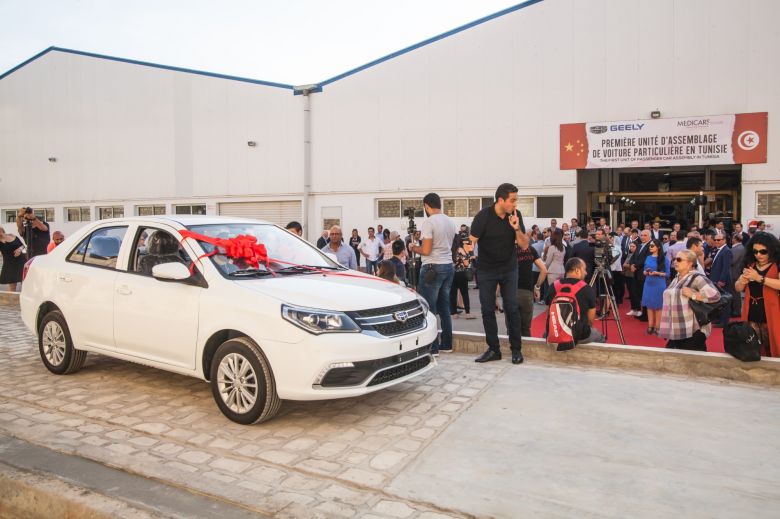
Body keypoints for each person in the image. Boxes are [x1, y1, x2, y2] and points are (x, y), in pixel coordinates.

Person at [469, 183, 528, 364]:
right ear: (501, 200)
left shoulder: (515, 216)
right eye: (513, 200)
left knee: (512, 309)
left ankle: (516, 350)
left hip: (509, 269)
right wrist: (467, 255)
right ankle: (494, 350)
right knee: (487, 310)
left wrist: (516, 228)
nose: (515, 204)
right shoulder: (483, 216)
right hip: (486, 269)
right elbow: (470, 241)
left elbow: (524, 245)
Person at [411, 193, 456, 355]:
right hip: (448, 266)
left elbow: (426, 250)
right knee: (444, 307)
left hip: (432, 267)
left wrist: (413, 247)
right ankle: (447, 344)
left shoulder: (429, 222)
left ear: (426, 205)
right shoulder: (450, 222)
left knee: (428, 308)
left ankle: (433, 347)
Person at [658, 249, 721, 351]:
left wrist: (694, 295)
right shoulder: (677, 278)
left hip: (693, 331)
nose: (675, 261)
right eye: (674, 259)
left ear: (689, 263)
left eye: (679, 259)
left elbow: (715, 295)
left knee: (694, 363)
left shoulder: (697, 278)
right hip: (677, 330)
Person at [735, 233, 780, 357]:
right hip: (751, 313)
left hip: (772, 313)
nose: (758, 254)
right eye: (755, 251)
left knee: (772, 347)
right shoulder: (750, 266)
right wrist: (742, 281)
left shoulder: (777, 265)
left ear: (772, 250)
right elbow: (738, 288)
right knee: (751, 348)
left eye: (763, 251)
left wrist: (759, 278)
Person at [545, 258, 605, 344]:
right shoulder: (587, 288)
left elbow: (548, 312)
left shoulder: (553, 286)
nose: (586, 273)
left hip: (555, 333)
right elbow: (591, 319)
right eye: (584, 269)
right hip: (580, 335)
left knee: (545, 334)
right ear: (577, 270)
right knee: (600, 337)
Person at [517, 242, 547, 337]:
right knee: (526, 327)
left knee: (512, 326)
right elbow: (544, 270)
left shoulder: (505, 249)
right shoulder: (530, 249)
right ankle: (526, 349)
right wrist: (537, 287)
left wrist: (495, 295)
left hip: (509, 291)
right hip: (527, 290)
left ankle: (513, 350)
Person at [640, 239, 670, 335]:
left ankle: (658, 327)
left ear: (658, 247)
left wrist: (658, 273)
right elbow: (644, 270)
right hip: (648, 283)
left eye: (652, 246)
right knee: (649, 306)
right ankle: (650, 326)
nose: (650, 247)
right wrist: (645, 272)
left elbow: (668, 274)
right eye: (650, 246)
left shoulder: (665, 259)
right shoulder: (648, 257)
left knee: (658, 307)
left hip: (659, 284)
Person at [707, 233, 733, 327]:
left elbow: (726, 268)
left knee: (724, 301)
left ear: (724, 240)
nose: (716, 242)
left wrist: (722, 280)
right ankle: (718, 319)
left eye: (719, 240)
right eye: (715, 240)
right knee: (718, 301)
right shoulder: (719, 250)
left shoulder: (726, 251)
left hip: (721, 281)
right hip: (716, 280)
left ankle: (724, 321)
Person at [450, 231, 475, 319]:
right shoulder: (461, 249)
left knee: (452, 293)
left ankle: (454, 313)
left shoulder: (451, 250)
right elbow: (465, 263)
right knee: (464, 293)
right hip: (461, 273)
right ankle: (467, 313)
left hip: (452, 274)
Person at [629, 229, 652, 320]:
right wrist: (631, 264)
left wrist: (635, 266)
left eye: (645, 235)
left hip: (644, 274)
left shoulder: (651, 245)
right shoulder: (639, 245)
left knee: (645, 294)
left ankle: (646, 315)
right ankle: (643, 312)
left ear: (650, 236)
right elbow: (633, 256)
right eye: (641, 235)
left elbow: (646, 259)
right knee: (639, 294)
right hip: (637, 274)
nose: (642, 237)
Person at [0, 227, 25, 292]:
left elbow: (22, 245)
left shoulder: (12, 235)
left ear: (2, 229)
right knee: (12, 285)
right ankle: (11, 301)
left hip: (21, 261)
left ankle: (25, 299)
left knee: (24, 282)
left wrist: (19, 250)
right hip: (9, 264)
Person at [729, 233, 746, 317]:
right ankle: (736, 310)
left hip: (734, 273)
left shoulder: (738, 248)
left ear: (735, 239)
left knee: (735, 293)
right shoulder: (739, 248)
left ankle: (736, 311)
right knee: (735, 293)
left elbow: (732, 261)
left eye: (732, 238)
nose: (731, 240)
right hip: (736, 272)